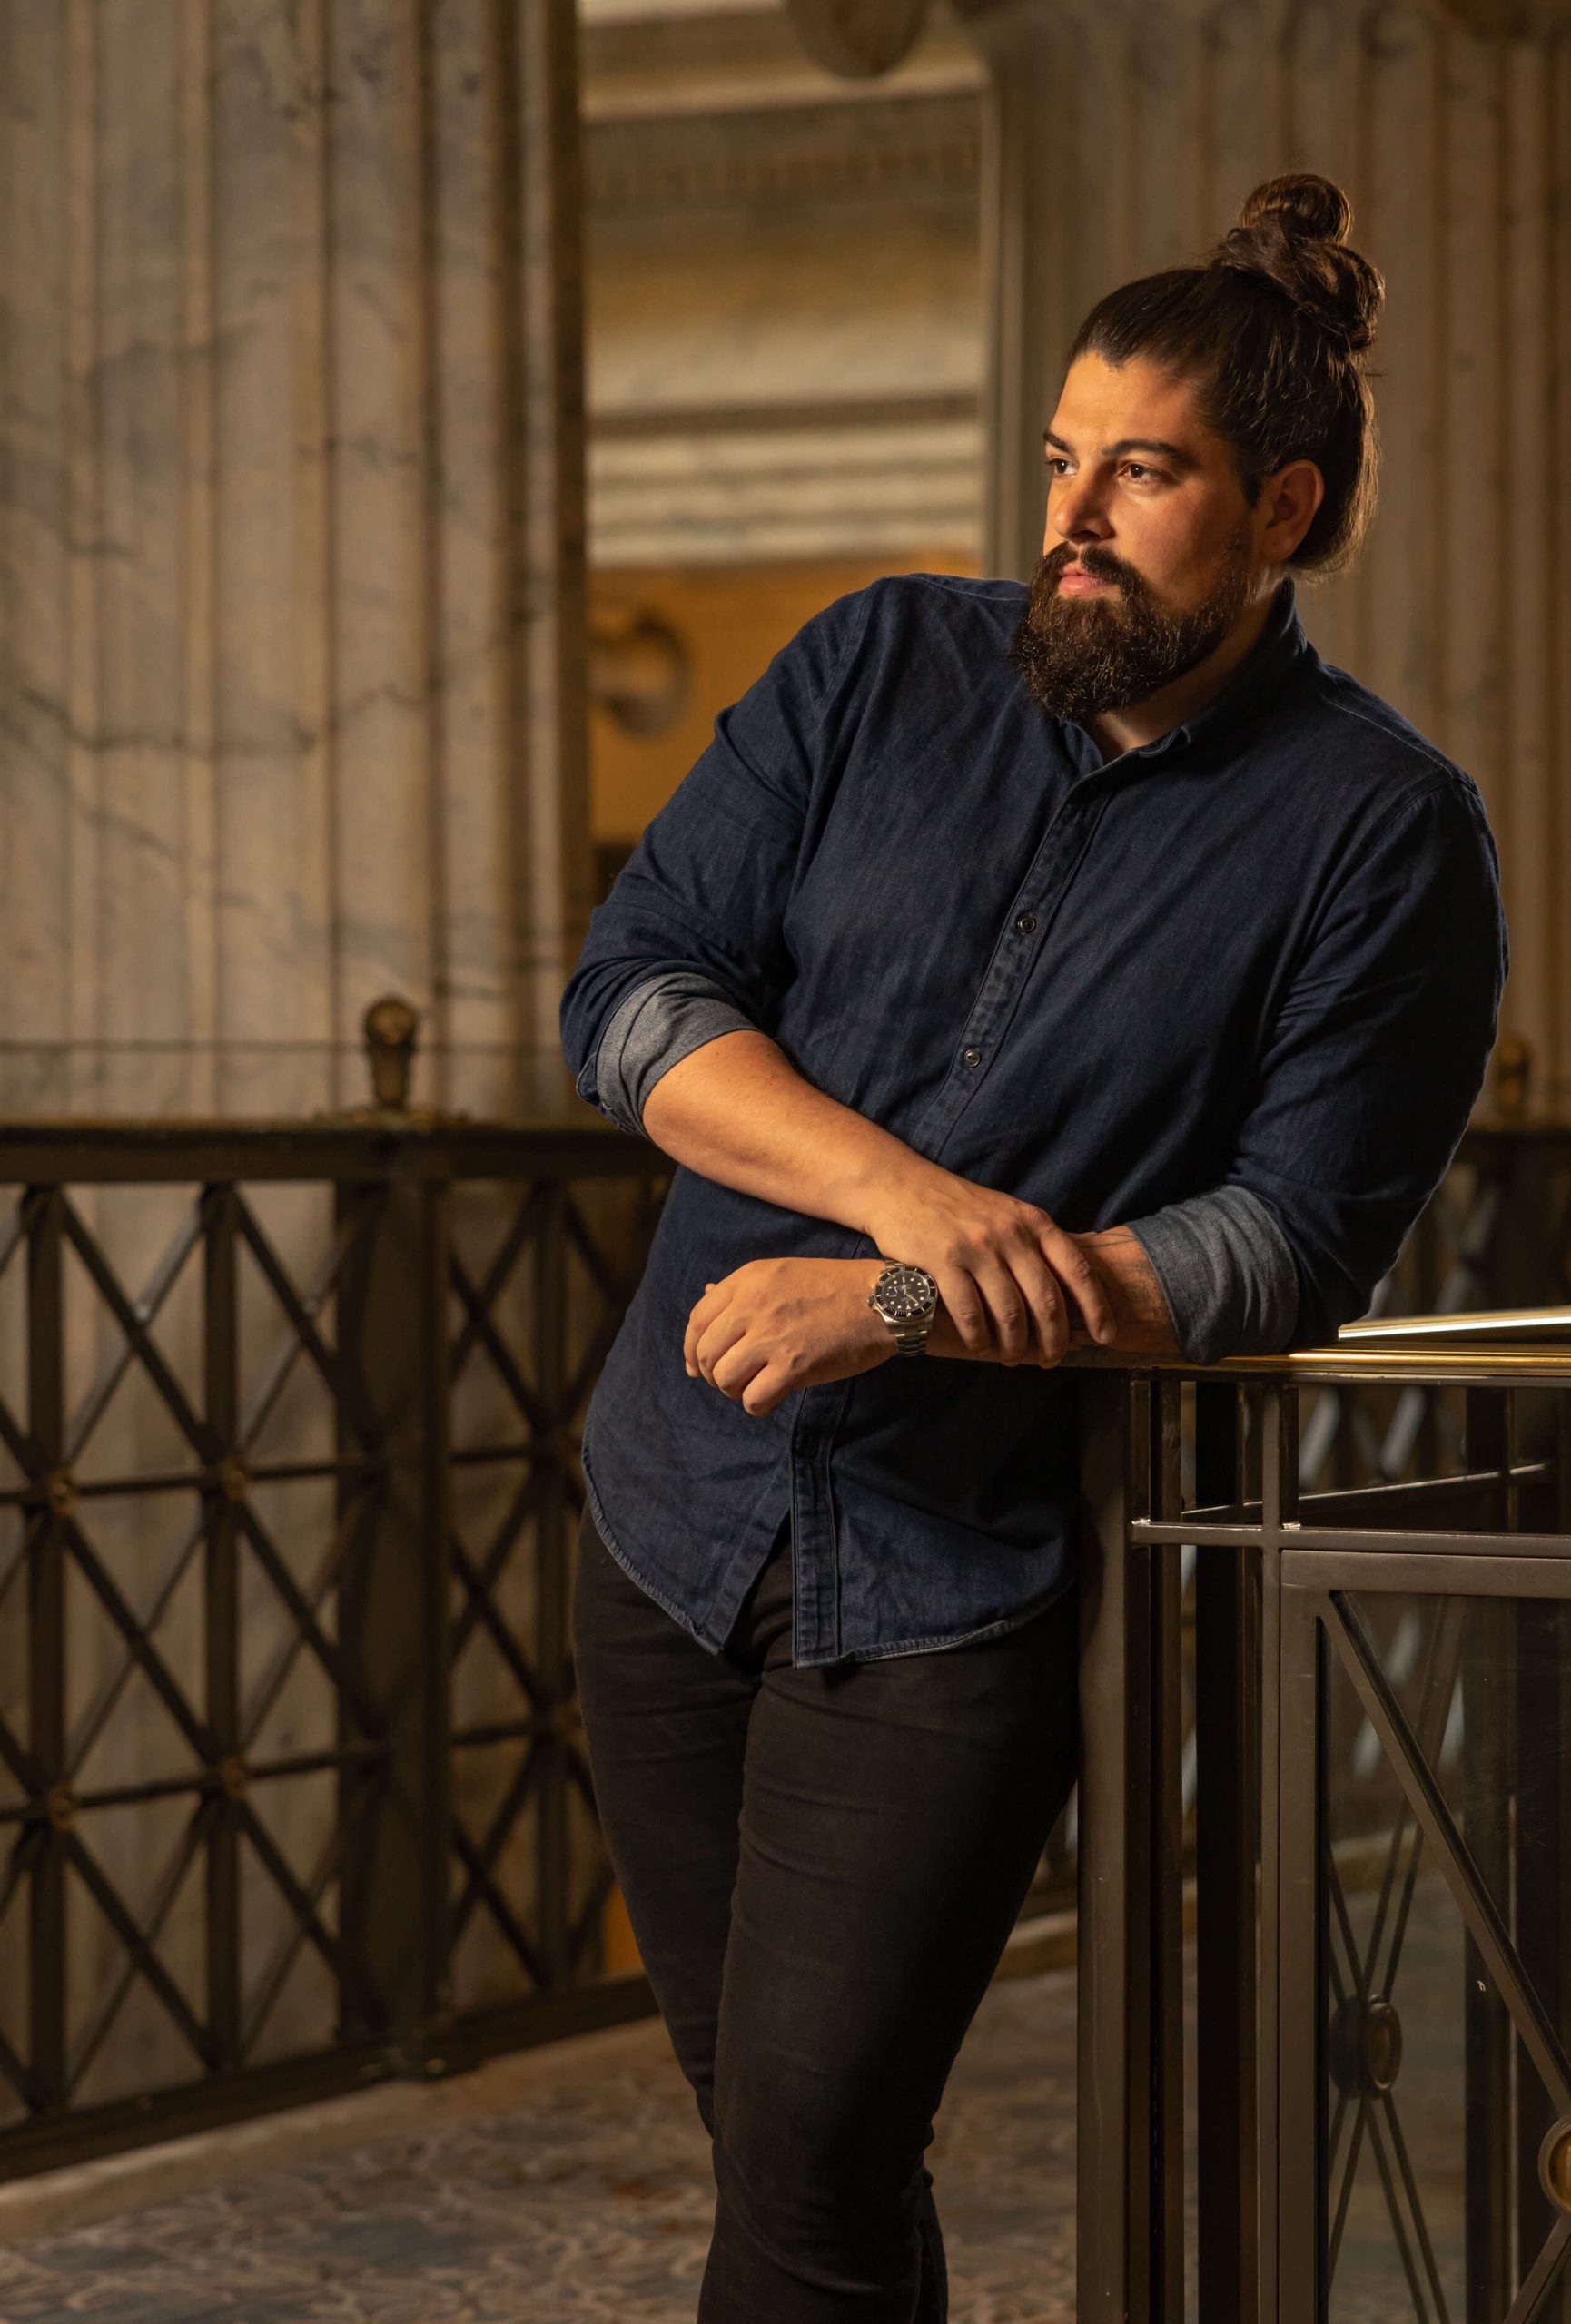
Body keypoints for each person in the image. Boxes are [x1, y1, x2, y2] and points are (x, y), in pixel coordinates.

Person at [558, 172, 1506, 2321]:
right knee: (787, 2142)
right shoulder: (878, 658)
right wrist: (908, 1198)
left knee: (805, 2147)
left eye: (1140, 473)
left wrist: (895, 1299)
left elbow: (1281, 1246)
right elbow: (631, 996)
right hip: (668, 1514)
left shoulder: (1383, 834)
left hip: (953, 1576)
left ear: (1280, 507)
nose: (1072, 516)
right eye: (1061, 461)